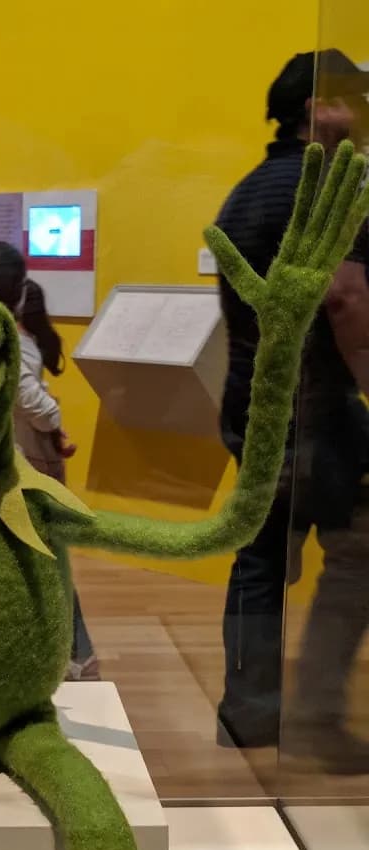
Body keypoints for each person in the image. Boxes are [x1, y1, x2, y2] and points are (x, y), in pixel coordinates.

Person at [214, 50, 369, 770]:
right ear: (318, 110)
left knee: (261, 558)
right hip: (318, 411)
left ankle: (250, 713)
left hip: (258, 402)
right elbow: (345, 298)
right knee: (360, 552)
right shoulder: (327, 187)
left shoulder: (248, 190)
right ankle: (313, 717)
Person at [0, 241, 99, 680]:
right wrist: (53, 417)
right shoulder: (3, 333)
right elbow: (29, 399)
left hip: (15, 464)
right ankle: (67, 654)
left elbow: (26, 398)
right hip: (13, 463)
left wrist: (52, 417)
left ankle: (75, 655)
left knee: (38, 556)